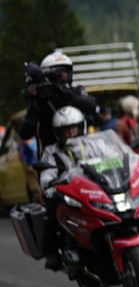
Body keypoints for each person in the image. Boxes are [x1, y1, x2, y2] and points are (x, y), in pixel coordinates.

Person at [37, 106, 88, 269]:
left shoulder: (94, 144)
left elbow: (112, 156)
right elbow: (46, 175)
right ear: (58, 132)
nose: (70, 132)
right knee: (51, 212)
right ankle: (52, 252)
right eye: (65, 129)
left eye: (73, 127)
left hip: (95, 189)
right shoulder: (51, 152)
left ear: (81, 127)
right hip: (68, 193)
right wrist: (50, 186)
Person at [20, 52, 96, 155]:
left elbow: (91, 105)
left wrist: (60, 91)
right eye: (60, 71)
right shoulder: (41, 99)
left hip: (80, 150)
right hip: (53, 155)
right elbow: (25, 133)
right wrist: (34, 102)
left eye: (66, 70)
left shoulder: (76, 91)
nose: (64, 74)